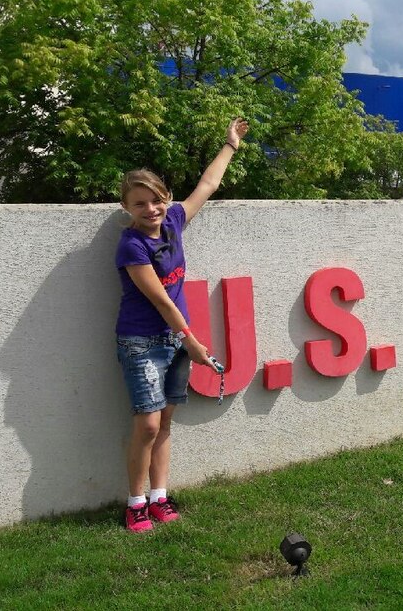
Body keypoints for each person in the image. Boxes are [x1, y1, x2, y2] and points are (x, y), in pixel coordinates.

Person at [114, 117, 249, 532]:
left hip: (177, 339)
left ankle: (160, 496)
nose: (150, 209)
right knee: (149, 422)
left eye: (155, 199)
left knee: (167, 419)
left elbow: (206, 186)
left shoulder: (173, 220)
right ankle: (135, 503)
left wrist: (229, 146)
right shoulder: (132, 245)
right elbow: (159, 299)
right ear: (127, 209)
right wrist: (192, 342)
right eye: (140, 203)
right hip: (143, 340)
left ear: (165, 198)